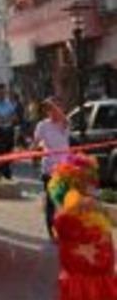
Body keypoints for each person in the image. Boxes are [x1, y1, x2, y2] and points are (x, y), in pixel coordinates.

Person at [47, 154, 117, 299]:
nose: (92, 183)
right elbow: (61, 227)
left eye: (92, 178)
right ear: (72, 184)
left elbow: (112, 220)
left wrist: (100, 208)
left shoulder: (95, 207)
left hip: (102, 275)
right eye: (85, 180)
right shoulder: (67, 215)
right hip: (83, 279)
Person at [33, 97, 70, 240]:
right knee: (50, 203)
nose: (54, 112)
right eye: (51, 110)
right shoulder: (42, 125)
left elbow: (63, 117)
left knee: (65, 201)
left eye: (57, 109)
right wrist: (29, 152)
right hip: (49, 169)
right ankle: (53, 233)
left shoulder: (65, 123)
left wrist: (55, 105)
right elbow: (35, 144)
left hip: (65, 170)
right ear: (47, 112)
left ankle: (65, 229)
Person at [0, 83, 18, 179]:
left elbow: (13, 116)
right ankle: (6, 173)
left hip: (9, 129)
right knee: (2, 152)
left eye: (3, 92)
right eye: (0, 92)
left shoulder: (9, 103)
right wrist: (3, 119)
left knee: (9, 152)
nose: (2, 94)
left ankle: (2, 170)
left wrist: (7, 118)